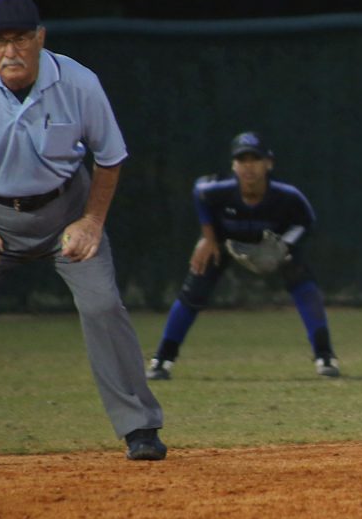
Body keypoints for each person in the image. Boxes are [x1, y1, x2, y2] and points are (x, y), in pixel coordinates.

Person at [0, 0, 166, 469]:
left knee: (103, 304)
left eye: (22, 38)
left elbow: (110, 159)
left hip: (66, 210)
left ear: (40, 38)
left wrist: (91, 221)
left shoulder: (79, 82)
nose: (11, 50)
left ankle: (140, 427)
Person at [145, 131, 340, 380]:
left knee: (302, 281)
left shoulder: (286, 195)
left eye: (254, 159)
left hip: (272, 244)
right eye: (241, 160)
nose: (248, 166)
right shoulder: (220, 190)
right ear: (233, 165)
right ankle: (162, 359)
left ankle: (325, 356)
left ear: (268, 163)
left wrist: (285, 247)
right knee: (194, 287)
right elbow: (199, 193)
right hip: (226, 243)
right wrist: (208, 237)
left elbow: (307, 221)